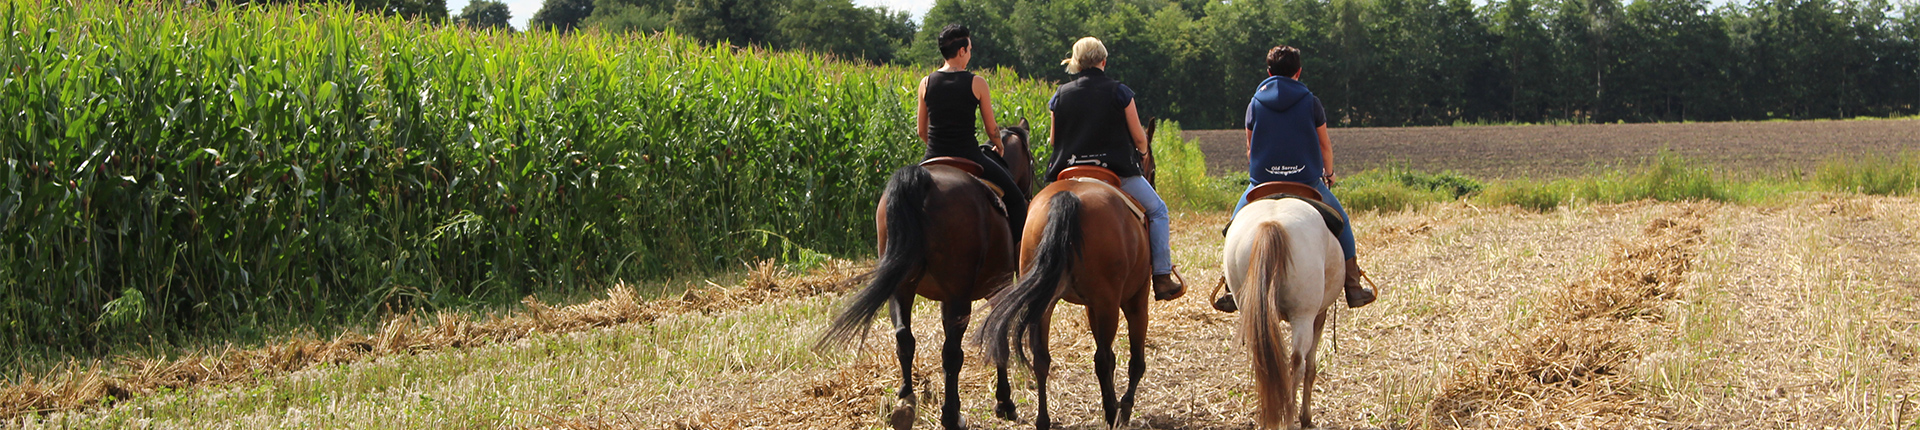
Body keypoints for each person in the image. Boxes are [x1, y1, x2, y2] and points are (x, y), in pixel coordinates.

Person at [1217, 45, 1375, 312]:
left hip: (1262, 183)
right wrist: (1329, 174)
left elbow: (1249, 147)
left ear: (1268, 72)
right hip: (1306, 182)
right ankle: (1353, 285)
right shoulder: (1311, 102)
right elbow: (1324, 145)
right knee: (1343, 222)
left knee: (1233, 227)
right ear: (1298, 72)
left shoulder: (1255, 103)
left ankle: (1231, 288)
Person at [1045, 37, 1185, 301]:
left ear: (1076, 63)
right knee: (1158, 210)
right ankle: (1163, 277)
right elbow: (1140, 138)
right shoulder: (1120, 92)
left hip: (1070, 173)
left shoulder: (1059, 95)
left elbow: (1054, 140)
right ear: (1103, 61)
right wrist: (1143, 153)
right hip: (1115, 173)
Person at [918, 24, 1028, 241]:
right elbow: (991, 129)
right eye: (969, 49)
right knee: (1016, 200)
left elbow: (922, 130)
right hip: (969, 155)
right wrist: (999, 144)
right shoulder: (976, 82)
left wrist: (939, 147)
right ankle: (1018, 263)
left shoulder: (926, 82)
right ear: (961, 51)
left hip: (933, 156)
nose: (970, 54)